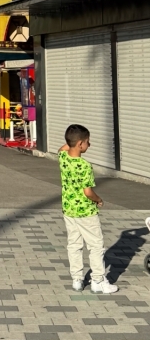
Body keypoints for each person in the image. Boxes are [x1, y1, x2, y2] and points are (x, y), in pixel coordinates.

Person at [59, 124, 117, 294]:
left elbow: (63, 148)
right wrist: (98, 200)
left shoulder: (62, 157)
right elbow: (88, 192)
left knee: (74, 244)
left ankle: (77, 279)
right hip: (86, 212)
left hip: (69, 210)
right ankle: (98, 280)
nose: (89, 145)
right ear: (80, 144)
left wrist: (69, 141)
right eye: (88, 142)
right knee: (96, 245)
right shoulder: (85, 166)